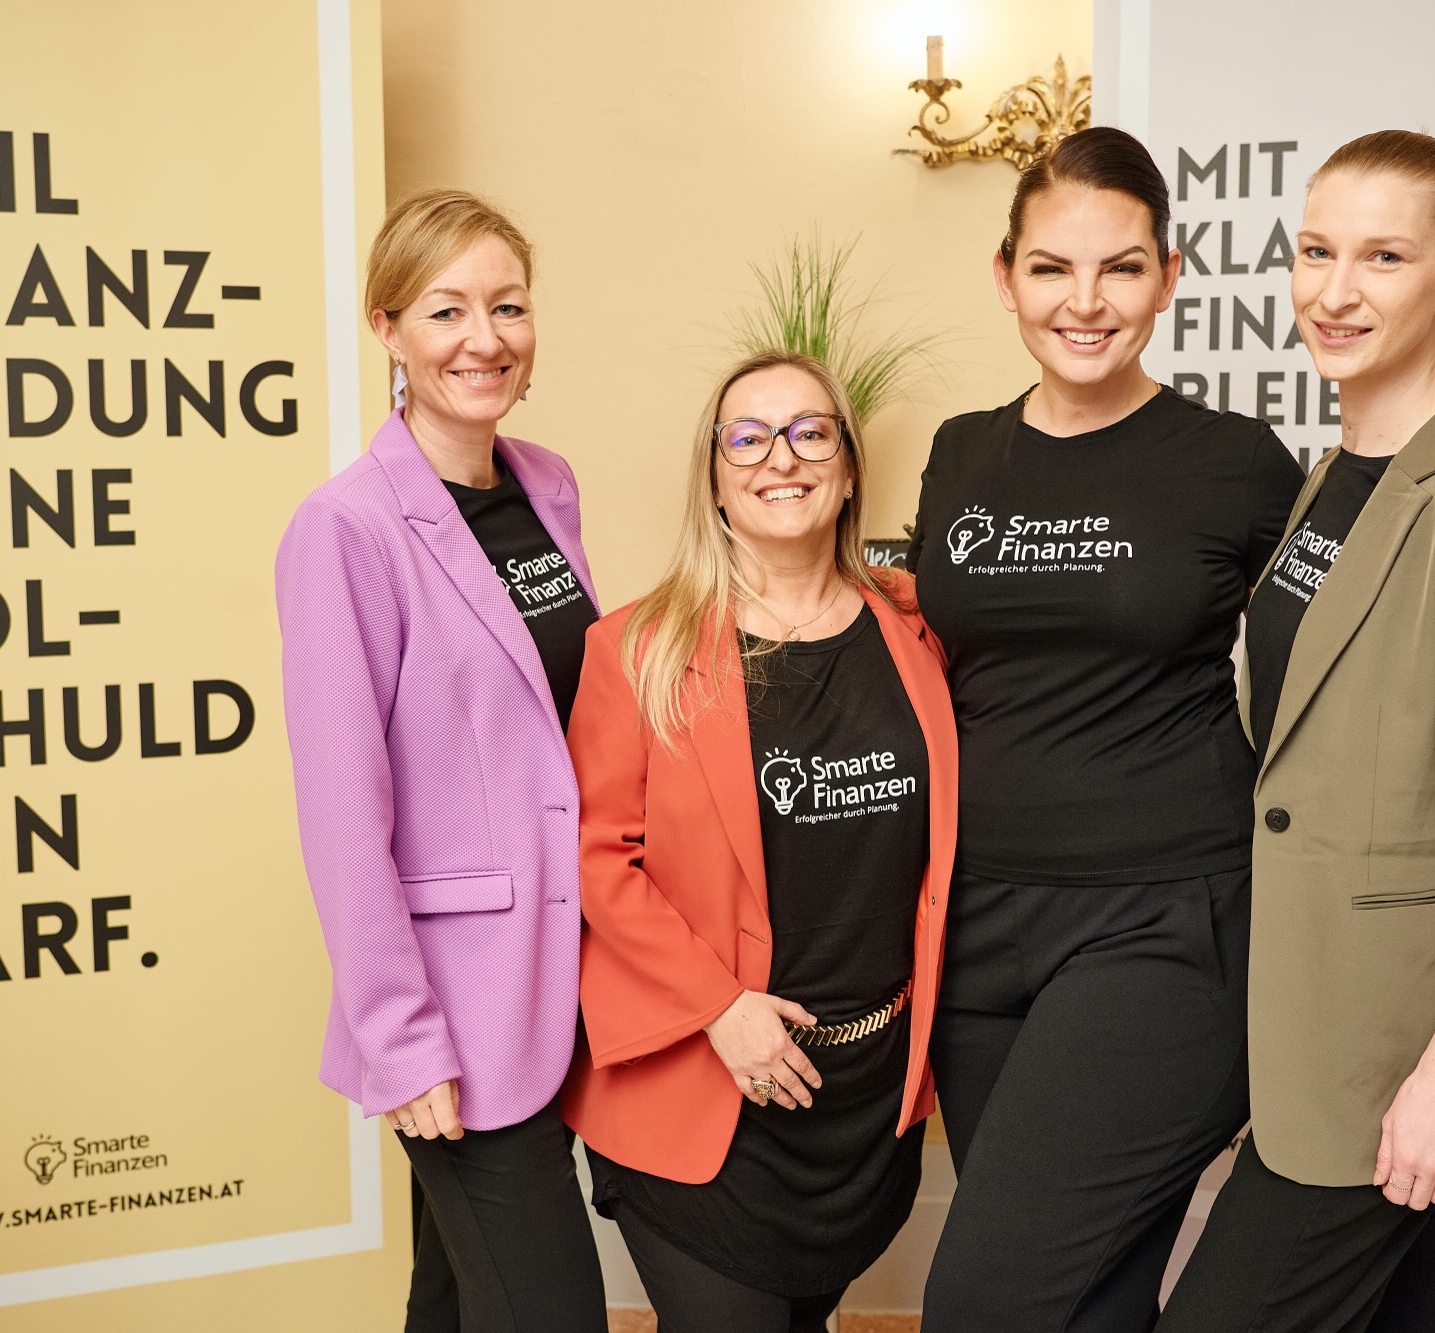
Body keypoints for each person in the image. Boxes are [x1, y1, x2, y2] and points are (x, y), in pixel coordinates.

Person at [1155, 131, 1435, 1333]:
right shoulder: (1333, 479)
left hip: (1391, 1047)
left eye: (1382, 257)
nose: (1333, 291)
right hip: (1311, 1012)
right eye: (1314, 252)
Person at [909, 126, 1307, 1331]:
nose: (1083, 303)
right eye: (1050, 268)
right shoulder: (959, 453)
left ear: (1168, 277)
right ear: (1004, 276)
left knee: (985, 1301)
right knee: (1086, 1298)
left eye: (1120, 268)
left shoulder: (1234, 461)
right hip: (976, 933)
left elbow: (1358, 622)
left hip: (1161, 922)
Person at [562, 350, 958, 1333]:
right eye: (746, 437)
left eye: (810, 432)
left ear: (849, 466)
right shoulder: (638, 648)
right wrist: (718, 1006)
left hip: (862, 1097)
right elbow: (595, 856)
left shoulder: (921, 629)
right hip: (704, 1092)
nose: (780, 457)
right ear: (713, 474)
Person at [275, 188, 608, 1333]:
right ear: (387, 329)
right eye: (446, 309)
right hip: (456, 1011)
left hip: (565, 970)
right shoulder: (346, 528)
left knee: (457, 1298)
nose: (484, 338)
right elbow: (341, 813)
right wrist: (402, 1040)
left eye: (507, 306)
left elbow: (558, 727)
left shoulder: (547, 483)